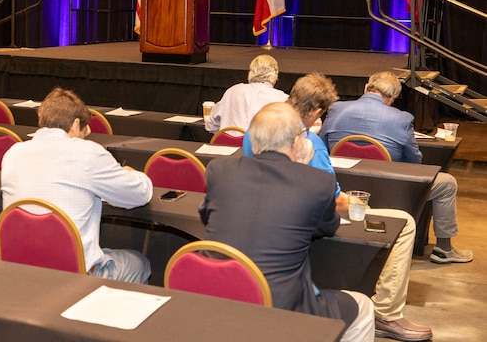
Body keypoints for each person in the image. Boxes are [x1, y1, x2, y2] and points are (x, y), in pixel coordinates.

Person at [245, 74, 431, 341]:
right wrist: (359, 201)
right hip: (305, 225)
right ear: (318, 112)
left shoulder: (257, 128)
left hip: (264, 225)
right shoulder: (309, 143)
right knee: (403, 221)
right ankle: (386, 314)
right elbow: (333, 201)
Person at [200, 102, 374, 341]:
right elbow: (328, 225)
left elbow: (206, 215)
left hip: (215, 294)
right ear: (296, 142)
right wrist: (302, 167)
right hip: (281, 306)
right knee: (363, 306)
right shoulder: (318, 183)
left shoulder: (219, 170)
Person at [1, 87, 153, 283]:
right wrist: (132, 173)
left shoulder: (13, 153)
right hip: (74, 275)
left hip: (21, 269)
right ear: (75, 124)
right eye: (85, 127)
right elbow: (140, 194)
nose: (87, 132)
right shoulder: (87, 153)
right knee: (140, 263)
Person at [320, 71, 472, 265]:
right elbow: (415, 161)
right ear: (392, 99)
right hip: (389, 189)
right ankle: (444, 249)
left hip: (342, 186)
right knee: (448, 183)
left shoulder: (336, 108)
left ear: (366, 87)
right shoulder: (402, 119)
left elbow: (323, 145)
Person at [204, 53, 287, 133]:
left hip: (227, 146)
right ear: (274, 76)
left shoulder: (232, 91)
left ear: (250, 73)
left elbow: (210, 125)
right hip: (259, 146)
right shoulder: (283, 99)